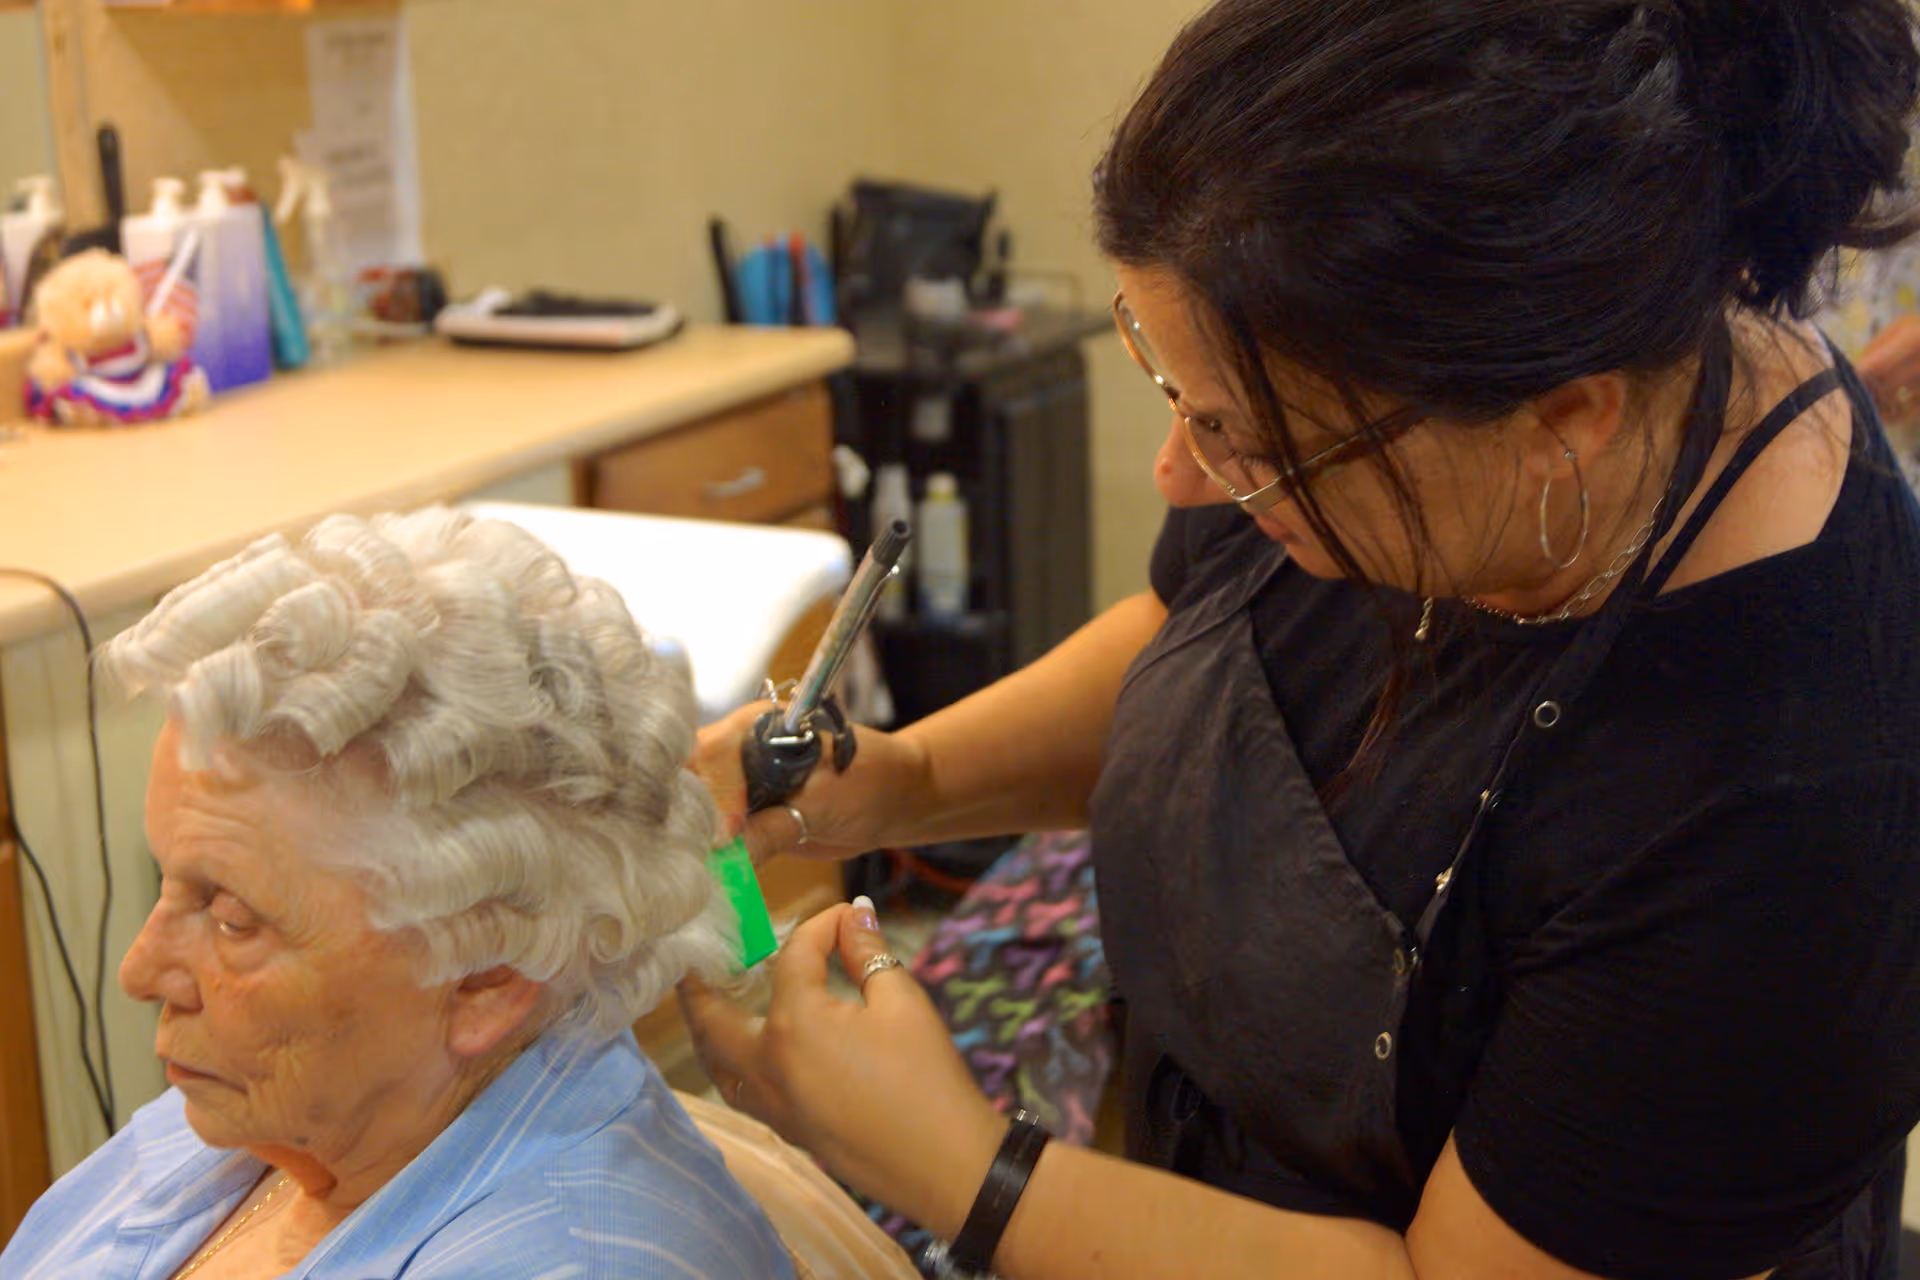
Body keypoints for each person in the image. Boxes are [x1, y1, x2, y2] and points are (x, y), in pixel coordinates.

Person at [680, 2, 1920, 1277]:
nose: (1179, 475)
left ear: (1562, 425)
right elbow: (1200, 640)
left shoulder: (1800, 794)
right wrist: (906, 780)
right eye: (1184, 404)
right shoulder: (1382, 392)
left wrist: (955, 1165)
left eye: (1247, 444)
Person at [0, 510, 795, 1280]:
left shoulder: (576, 1261)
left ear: (486, 974)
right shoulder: (279, 1117)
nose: (139, 973)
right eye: (168, 881)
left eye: (233, 918)